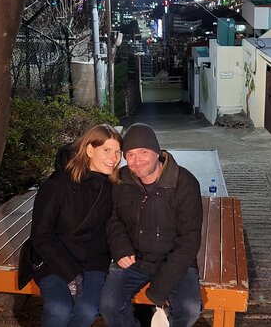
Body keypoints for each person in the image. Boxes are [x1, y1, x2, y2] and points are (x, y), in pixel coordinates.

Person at [100, 123, 203, 327]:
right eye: (130, 155)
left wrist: (160, 287)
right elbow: (111, 218)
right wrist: (120, 249)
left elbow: (189, 240)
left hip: (174, 261)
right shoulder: (120, 180)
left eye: (143, 152)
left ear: (157, 152)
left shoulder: (185, 183)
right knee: (109, 306)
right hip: (134, 259)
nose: (137, 161)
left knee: (189, 309)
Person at [30, 124, 122, 327]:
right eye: (106, 150)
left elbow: (112, 228)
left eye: (117, 152)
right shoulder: (56, 185)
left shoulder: (112, 187)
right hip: (53, 258)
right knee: (59, 309)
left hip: (92, 261)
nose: (114, 158)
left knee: (87, 309)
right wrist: (71, 273)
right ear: (90, 150)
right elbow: (41, 235)